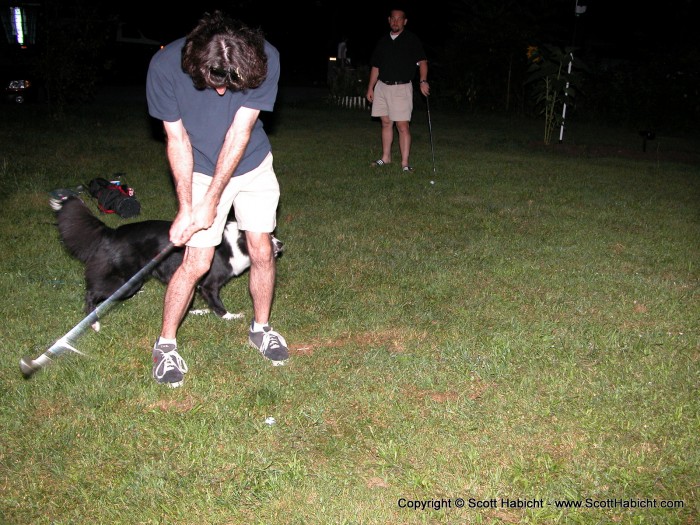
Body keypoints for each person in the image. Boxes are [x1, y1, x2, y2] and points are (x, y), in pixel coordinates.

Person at [146, 10, 288, 388]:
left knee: (261, 249)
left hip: (253, 161)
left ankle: (261, 329)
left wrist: (214, 198)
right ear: (196, 64)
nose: (223, 91)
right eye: (214, 82)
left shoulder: (265, 57)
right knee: (197, 260)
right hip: (199, 168)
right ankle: (165, 345)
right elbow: (176, 140)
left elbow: (240, 132)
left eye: (232, 83)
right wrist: (188, 206)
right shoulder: (164, 67)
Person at [366, 8, 430, 172]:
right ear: (389, 20)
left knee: (402, 126)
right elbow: (376, 66)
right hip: (382, 87)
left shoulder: (411, 39)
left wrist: (423, 81)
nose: (395, 21)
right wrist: (370, 87)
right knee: (386, 123)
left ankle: (405, 163)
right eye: (393, 18)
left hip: (401, 87)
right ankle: (385, 158)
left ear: (405, 21)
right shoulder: (383, 41)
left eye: (399, 19)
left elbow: (422, 61)